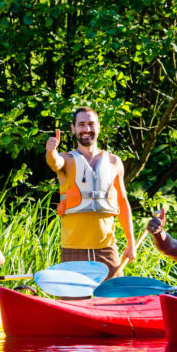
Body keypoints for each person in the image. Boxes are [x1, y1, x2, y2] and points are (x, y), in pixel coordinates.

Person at [45, 107, 135, 278]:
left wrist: (131, 243)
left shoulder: (114, 162)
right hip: (73, 252)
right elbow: (54, 162)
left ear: (99, 127)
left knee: (113, 302)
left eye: (91, 124)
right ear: (73, 129)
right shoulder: (67, 160)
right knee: (74, 305)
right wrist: (51, 151)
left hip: (107, 251)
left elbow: (123, 202)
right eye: (81, 125)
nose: (86, 129)